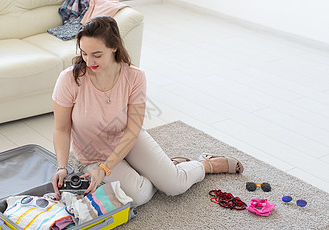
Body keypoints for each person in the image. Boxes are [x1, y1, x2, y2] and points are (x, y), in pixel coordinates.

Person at [51, 16, 243, 207]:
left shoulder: (135, 77)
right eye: (84, 53)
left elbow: (133, 130)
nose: (89, 60)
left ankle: (206, 165)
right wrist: (62, 167)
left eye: (97, 54)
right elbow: (61, 129)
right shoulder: (70, 79)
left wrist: (105, 169)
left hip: (129, 140)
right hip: (93, 154)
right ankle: (167, 170)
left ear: (114, 47)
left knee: (175, 185)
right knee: (137, 196)